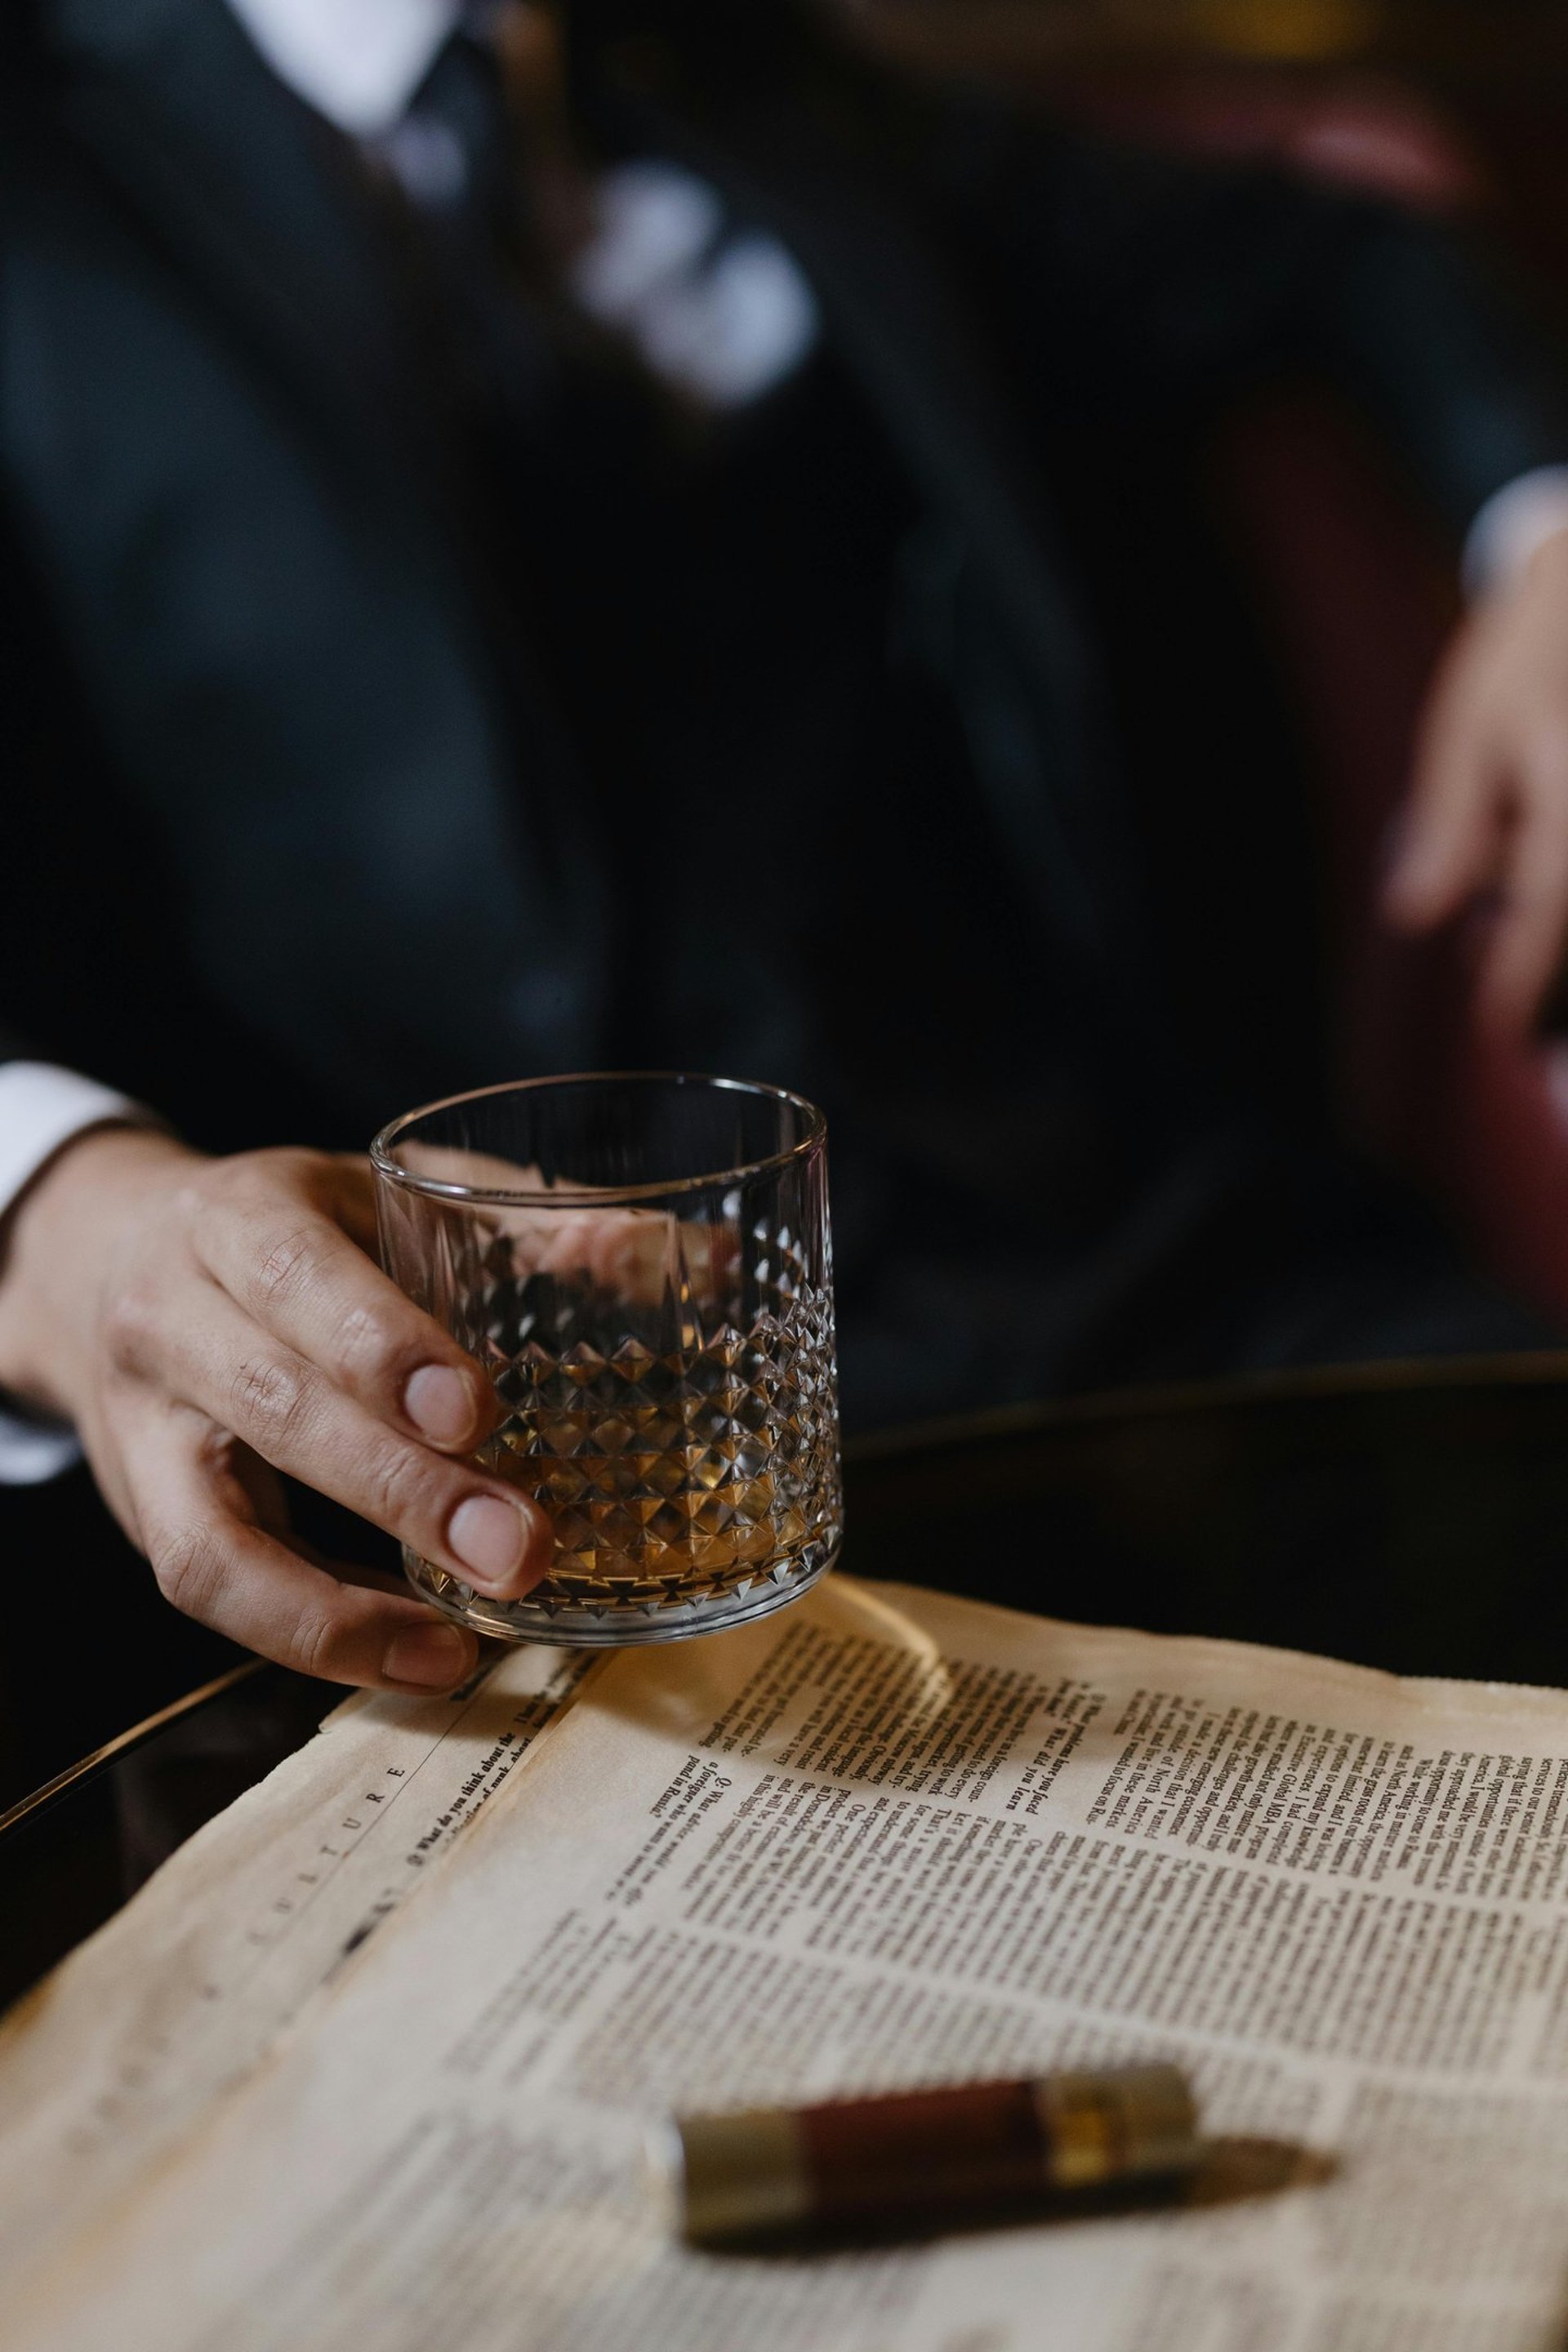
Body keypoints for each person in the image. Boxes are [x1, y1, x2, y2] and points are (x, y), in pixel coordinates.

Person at [4, 0, 1568, 1696]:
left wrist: (1547, 536)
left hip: (1186, 1296)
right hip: (537, 1482)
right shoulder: (46, 159)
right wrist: (58, 1222)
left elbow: (1338, 247)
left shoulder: (751, 64)